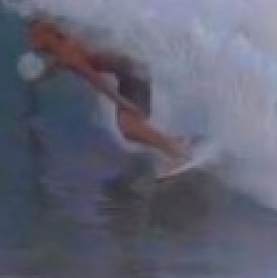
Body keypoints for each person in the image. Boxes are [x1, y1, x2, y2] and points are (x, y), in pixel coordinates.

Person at [21, 17, 189, 170]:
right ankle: (174, 144)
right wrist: (41, 77)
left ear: (46, 34)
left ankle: (176, 152)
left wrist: (123, 103)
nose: (31, 41)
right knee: (129, 128)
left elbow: (98, 81)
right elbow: (60, 64)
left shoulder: (67, 53)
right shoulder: (67, 43)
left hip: (134, 75)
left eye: (34, 35)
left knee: (129, 127)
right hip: (133, 71)